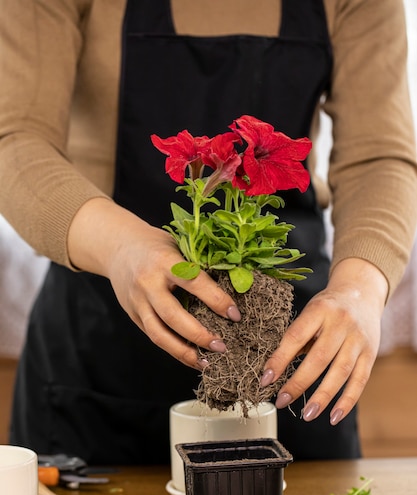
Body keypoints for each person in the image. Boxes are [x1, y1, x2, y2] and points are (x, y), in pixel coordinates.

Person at [0, 0, 416, 464]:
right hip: (101, 355)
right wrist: (121, 246)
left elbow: (379, 155)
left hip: (286, 356)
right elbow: (15, 138)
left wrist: (360, 288)